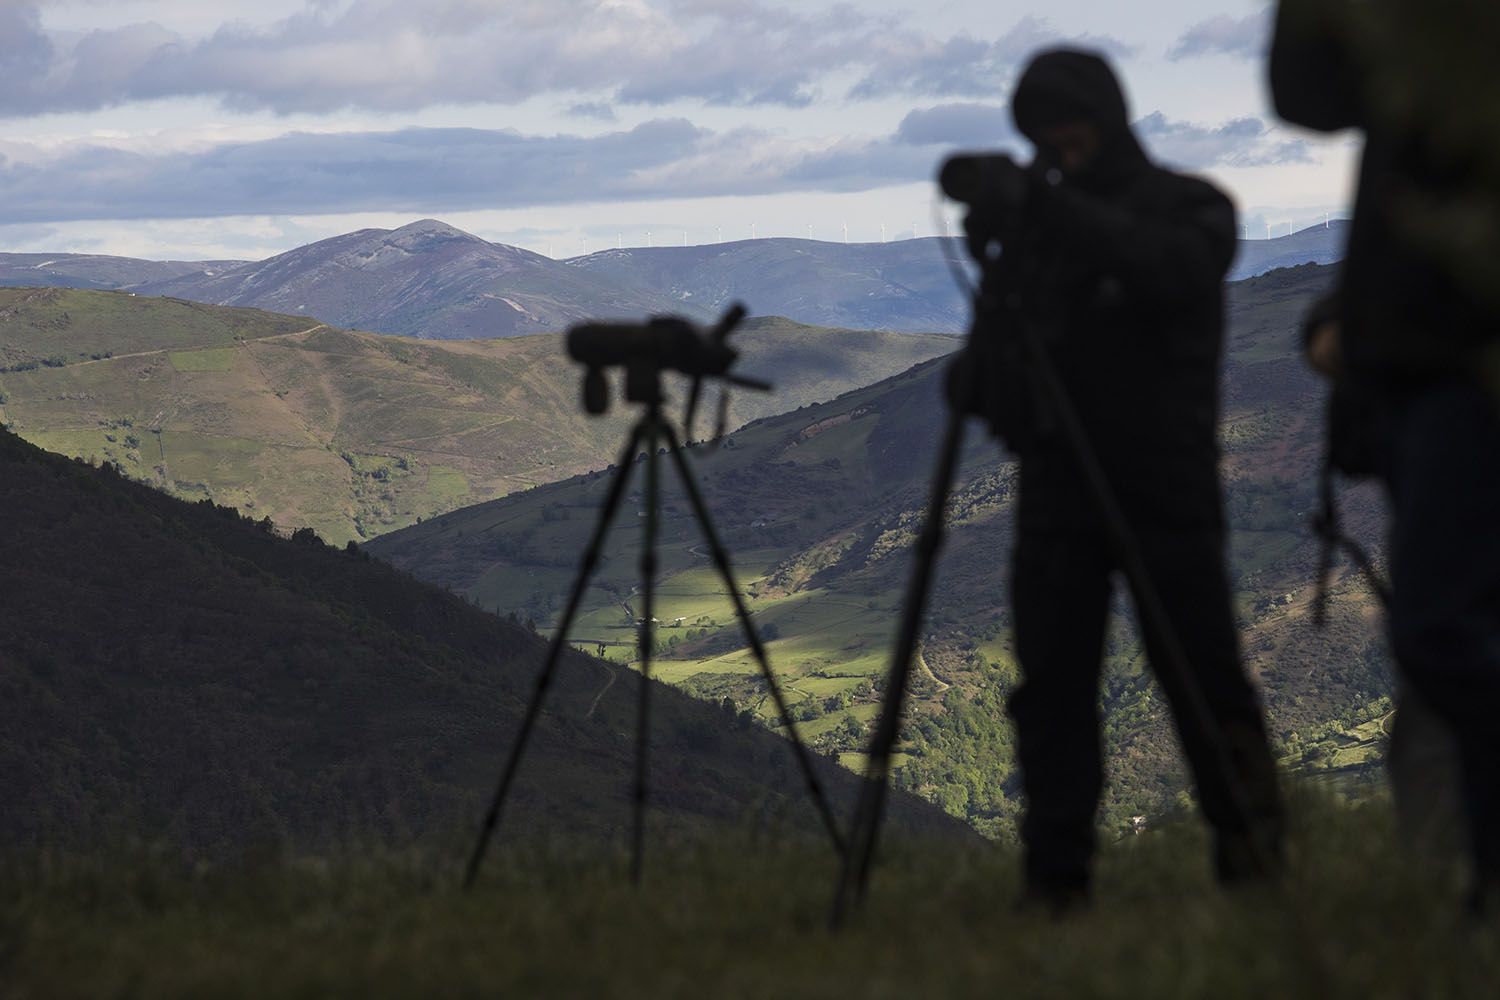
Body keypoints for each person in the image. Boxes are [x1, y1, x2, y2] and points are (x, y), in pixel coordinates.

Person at [951, 48, 1284, 910]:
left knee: (1202, 675)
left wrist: (1051, 216)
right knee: (1052, 689)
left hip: (1165, 483)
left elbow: (1169, 268)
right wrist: (999, 257)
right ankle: (1054, 886)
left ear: (1108, 116)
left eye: (1068, 126)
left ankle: (1256, 869)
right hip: (1057, 487)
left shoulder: (1191, 208)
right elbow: (983, 384)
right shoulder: (1045, 231)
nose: (1058, 146)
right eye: (1042, 135)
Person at [1271, 0, 1500, 911]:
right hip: (1419, 369)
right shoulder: (1414, 69)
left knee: (1445, 632)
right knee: (1445, 636)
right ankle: (1473, 890)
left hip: (1464, 372)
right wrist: (1347, 318)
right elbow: (1311, 92)